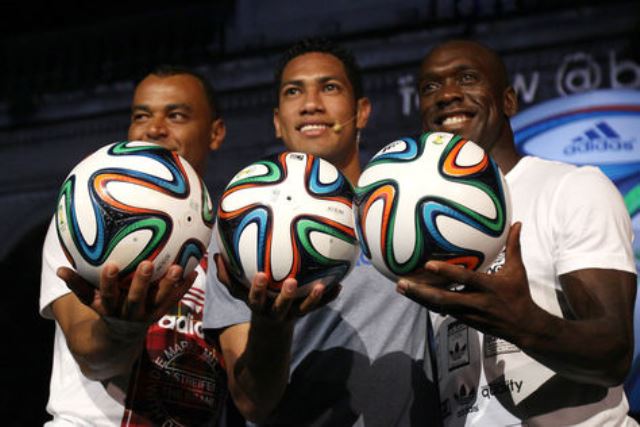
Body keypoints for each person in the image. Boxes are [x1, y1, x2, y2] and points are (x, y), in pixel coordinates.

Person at [397, 39, 638, 425]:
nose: (446, 95)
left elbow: (613, 355)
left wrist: (521, 321)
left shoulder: (570, 188)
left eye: (467, 78)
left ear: (508, 101)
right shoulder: (420, 227)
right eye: (430, 87)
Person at [203, 38, 438, 426]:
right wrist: (272, 327)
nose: (310, 103)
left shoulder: (404, 209)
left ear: (362, 111)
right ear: (277, 121)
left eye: (329, 87)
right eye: (294, 91)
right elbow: (251, 403)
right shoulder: (240, 227)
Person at [39, 66, 230, 426]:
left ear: (215, 132)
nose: (154, 129)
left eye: (176, 115)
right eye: (141, 115)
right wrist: (122, 326)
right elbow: (92, 357)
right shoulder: (87, 217)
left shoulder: (238, 241)